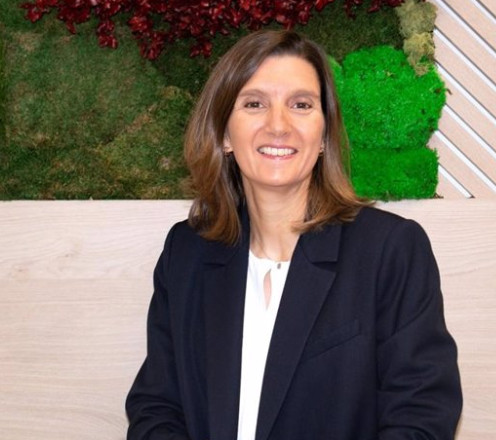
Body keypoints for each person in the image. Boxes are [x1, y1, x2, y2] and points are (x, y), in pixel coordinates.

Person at [126, 29, 462, 440]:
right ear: (225, 134)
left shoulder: (389, 250)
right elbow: (156, 406)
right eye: (254, 104)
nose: (278, 126)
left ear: (323, 135)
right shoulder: (187, 252)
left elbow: (422, 415)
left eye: (301, 105)